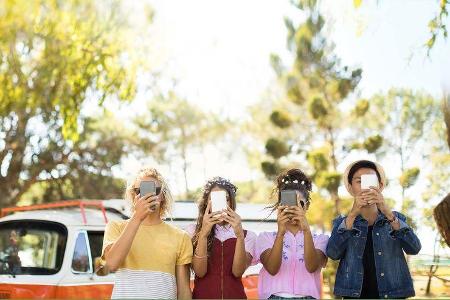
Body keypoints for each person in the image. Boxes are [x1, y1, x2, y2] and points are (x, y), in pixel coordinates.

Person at [326, 160, 421, 299]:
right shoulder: (343, 222)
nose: (366, 187)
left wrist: (387, 212)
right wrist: (352, 214)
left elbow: (414, 248)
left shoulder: (396, 218)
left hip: (394, 295)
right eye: (359, 181)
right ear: (351, 188)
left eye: (370, 181)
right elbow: (333, 253)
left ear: (380, 186)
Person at [101, 167, 192, 299]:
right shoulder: (116, 227)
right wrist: (137, 217)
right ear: (134, 196)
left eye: (156, 190)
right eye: (141, 191)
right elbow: (112, 264)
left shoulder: (180, 236)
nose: (149, 195)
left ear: (162, 195)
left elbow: (184, 291)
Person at [256, 168, 328, 299]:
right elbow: (272, 269)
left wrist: (306, 230)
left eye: (299, 203)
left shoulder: (320, 239)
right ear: (280, 205)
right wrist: (281, 233)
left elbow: (312, 267)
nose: (294, 208)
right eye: (289, 203)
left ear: (307, 205)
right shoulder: (265, 237)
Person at [185, 177, 257, 299]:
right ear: (207, 203)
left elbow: (237, 272)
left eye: (226, 199)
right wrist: (203, 235)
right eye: (214, 199)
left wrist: (239, 236)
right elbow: (199, 272)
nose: (221, 204)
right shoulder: (192, 231)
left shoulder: (248, 235)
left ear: (232, 202)